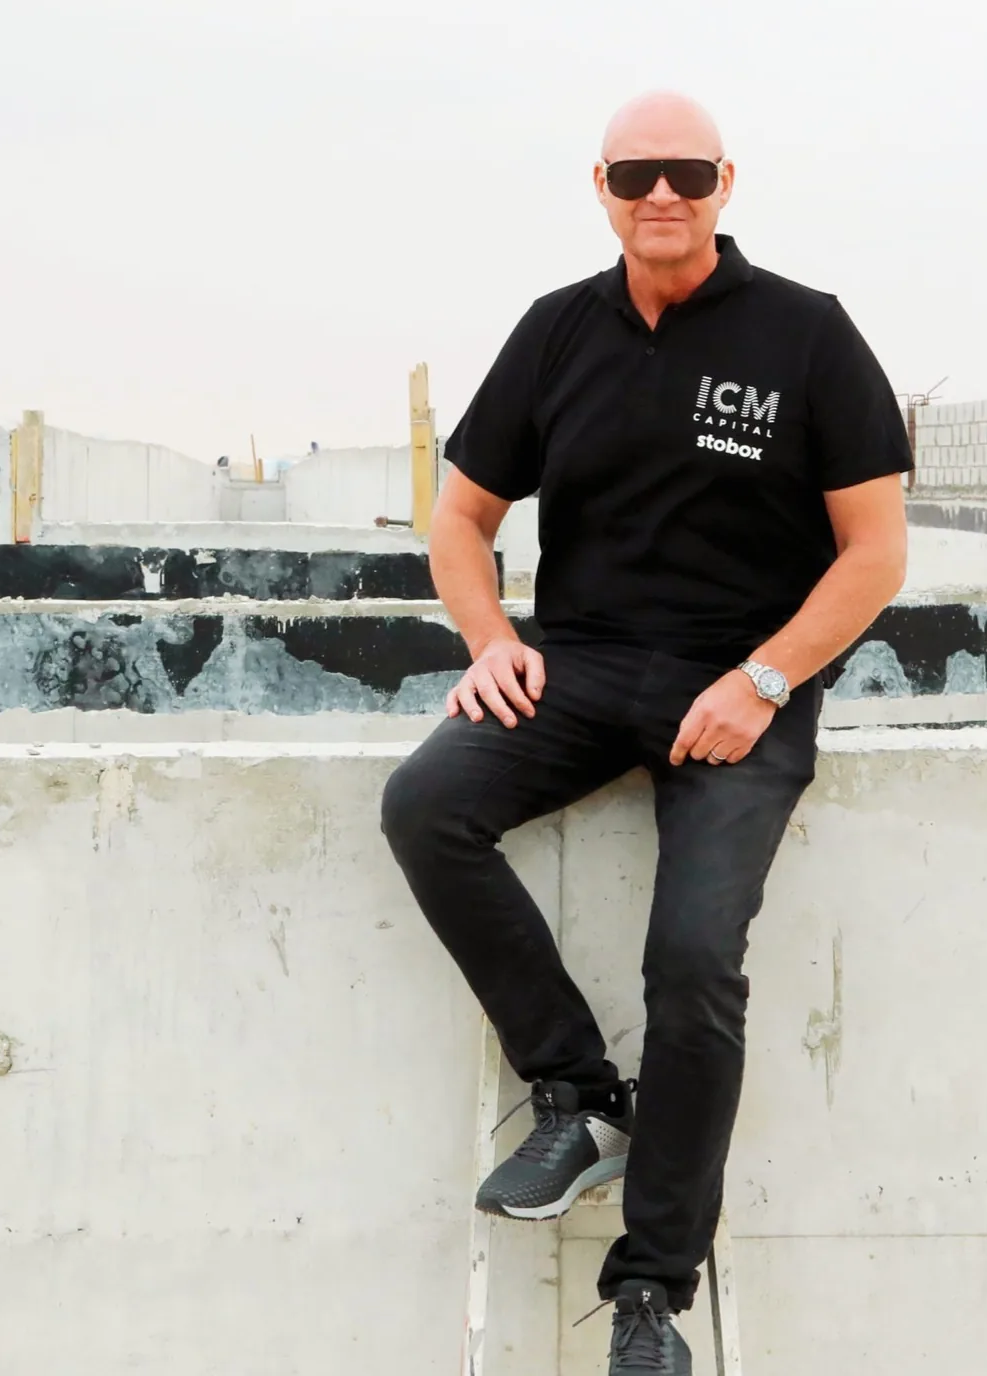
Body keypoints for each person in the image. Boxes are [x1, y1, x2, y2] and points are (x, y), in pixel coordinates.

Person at [381, 91, 912, 1373]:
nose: (660, 193)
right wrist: (491, 642)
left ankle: (651, 1293)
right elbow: (459, 520)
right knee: (426, 805)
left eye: (684, 171)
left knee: (692, 961)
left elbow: (876, 553)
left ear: (726, 181)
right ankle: (576, 1094)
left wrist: (765, 680)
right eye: (634, 174)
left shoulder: (809, 332)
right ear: (603, 187)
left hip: (741, 683)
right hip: (583, 666)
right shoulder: (558, 329)